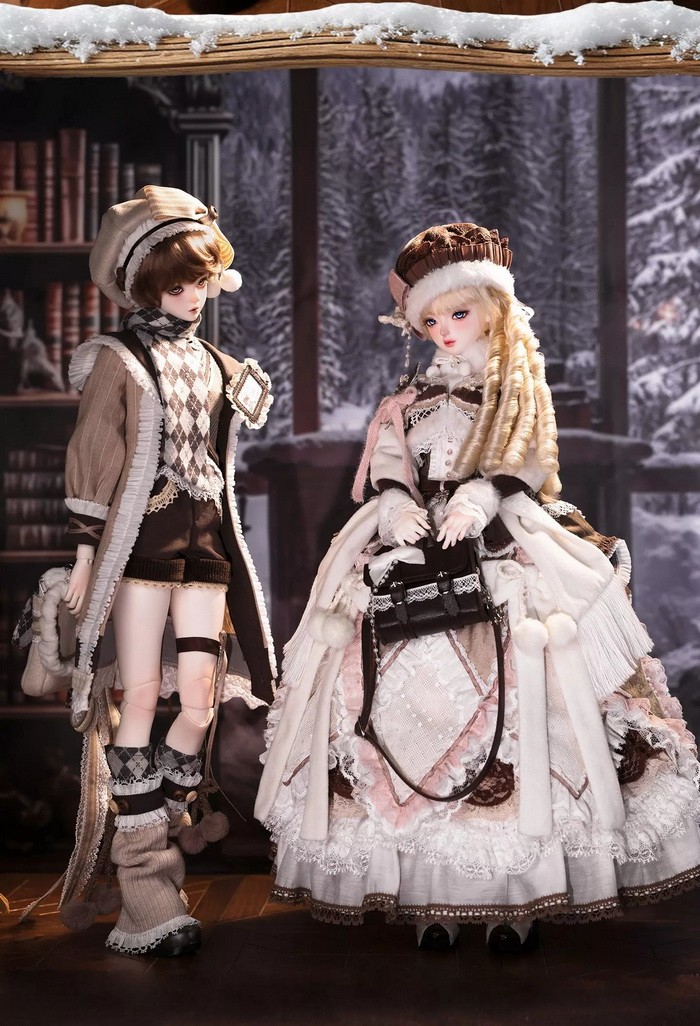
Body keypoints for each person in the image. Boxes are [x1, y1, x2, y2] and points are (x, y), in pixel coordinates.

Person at [255, 222, 700, 952]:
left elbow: (528, 458)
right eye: (430, 321)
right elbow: (390, 460)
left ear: (492, 310)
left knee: (527, 701)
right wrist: (395, 507)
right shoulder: (409, 398)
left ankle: (511, 895)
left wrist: (483, 495)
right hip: (418, 557)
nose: (444, 331)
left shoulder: (513, 388)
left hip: (500, 548)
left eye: (457, 314)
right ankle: (431, 891)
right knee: (400, 701)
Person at [59, 186, 275, 957]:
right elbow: (96, 452)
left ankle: (166, 809)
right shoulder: (119, 361)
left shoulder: (216, 364)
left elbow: (226, 445)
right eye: (177, 284)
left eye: (201, 282)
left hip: (207, 549)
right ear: (142, 284)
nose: (192, 297)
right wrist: (86, 551)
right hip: (142, 547)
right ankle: (145, 888)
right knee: (143, 695)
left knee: (202, 699)